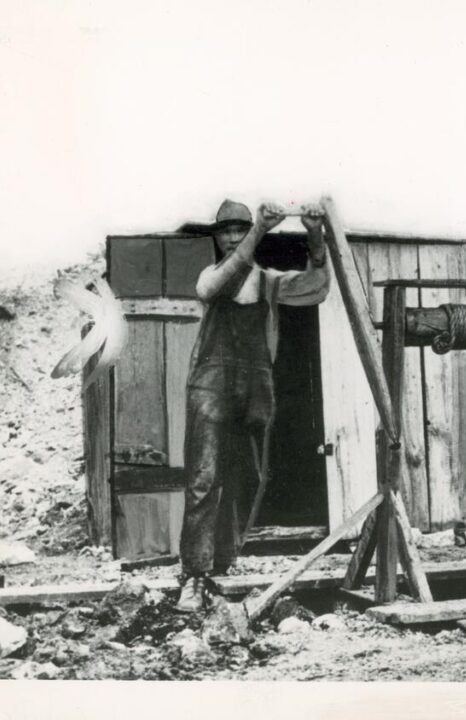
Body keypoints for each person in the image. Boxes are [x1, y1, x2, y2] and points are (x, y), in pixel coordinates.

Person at [176, 199, 331, 612]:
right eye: (225, 230)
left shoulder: (267, 281)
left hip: (255, 383)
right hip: (210, 382)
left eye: (238, 230)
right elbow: (219, 287)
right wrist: (259, 230)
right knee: (204, 477)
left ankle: (223, 563)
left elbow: (317, 288)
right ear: (215, 235)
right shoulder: (212, 274)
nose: (231, 237)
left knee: (248, 475)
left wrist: (315, 234)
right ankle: (193, 575)